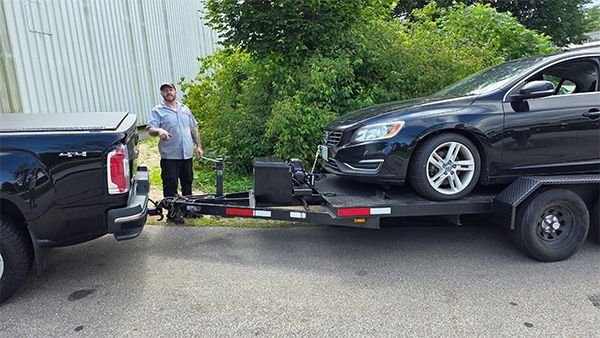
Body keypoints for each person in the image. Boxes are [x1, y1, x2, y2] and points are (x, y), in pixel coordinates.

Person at [147, 82, 203, 197]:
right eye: (165, 90)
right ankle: (172, 213)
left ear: (175, 91)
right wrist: (159, 131)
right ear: (161, 93)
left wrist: (199, 146)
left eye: (170, 89)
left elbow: (193, 129)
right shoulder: (158, 110)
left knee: (187, 183)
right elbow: (150, 129)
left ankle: (188, 209)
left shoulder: (185, 109)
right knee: (170, 185)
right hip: (170, 157)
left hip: (187, 155)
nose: (168, 92)